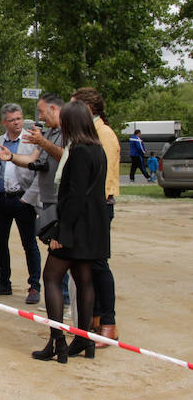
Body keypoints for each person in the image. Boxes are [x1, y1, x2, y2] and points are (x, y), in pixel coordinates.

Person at [31, 100, 109, 364]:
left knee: (51, 277)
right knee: (83, 278)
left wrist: (61, 234)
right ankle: (83, 338)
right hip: (92, 227)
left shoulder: (79, 152)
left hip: (75, 227)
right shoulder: (97, 150)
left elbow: (75, 197)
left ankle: (58, 341)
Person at [2, 93, 67, 308]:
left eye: (41, 111)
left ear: (54, 109)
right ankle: (64, 300)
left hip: (61, 201)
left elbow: (66, 157)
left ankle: (66, 301)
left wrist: (43, 142)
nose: (39, 116)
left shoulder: (67, 133)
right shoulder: (49, 133)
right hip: (48, 201)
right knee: (54, 248)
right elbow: (32, 160)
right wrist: (11, 157)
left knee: (62, 252)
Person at [72, 86, 120, 347]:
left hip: (99, 208)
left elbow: (103, 177)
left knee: (99, 265)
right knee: (87, 266)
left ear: (87, 108)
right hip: (88, 208)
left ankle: (108, 324)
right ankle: (93, 319)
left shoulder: (105, 134)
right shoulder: (89, 132)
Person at [0, 103, 41, 304]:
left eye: (19, 118)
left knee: (29, 244)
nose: (17, 122)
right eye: (12, 119)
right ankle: (3, 283)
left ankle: (34, 286)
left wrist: (29, 198)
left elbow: (38, 172)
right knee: (0, 242)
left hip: (23, 200)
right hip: (1, 200)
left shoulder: (32, 141)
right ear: (4, 122)